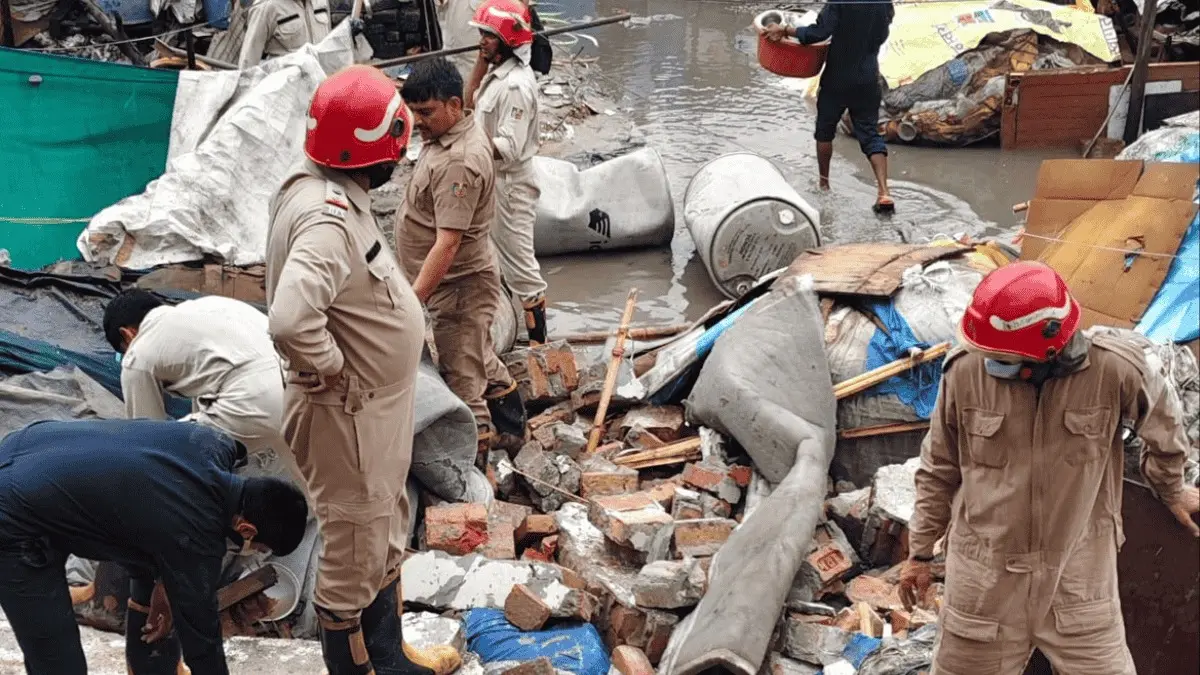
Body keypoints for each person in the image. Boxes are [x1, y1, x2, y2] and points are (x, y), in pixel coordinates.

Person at [897, 262, 1200, 674]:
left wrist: (1170, 488)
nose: (989, 363)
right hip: (985, 580)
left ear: (1046, 352)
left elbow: (1165, 430)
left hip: (1079, 577)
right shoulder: (966, 371)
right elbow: (938, 468)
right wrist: (920, 553)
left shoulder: (1116, 370)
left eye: (1001, 358)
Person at [265, 64, 460, 675]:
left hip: (374, 410)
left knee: (385, 527)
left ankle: (390, 656)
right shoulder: (326, 220)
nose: (399, 161)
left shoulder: (322, 185)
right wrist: (330, 368)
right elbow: (292, 319)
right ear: (373, 151)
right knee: (353, 553)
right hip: (347, 416)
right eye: (395, 149)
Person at [0, 419, 308, 675]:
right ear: (246, 529)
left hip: (31, 446)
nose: (253, 552)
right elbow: (203, 642)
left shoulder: (213, 442)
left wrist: (163, 580)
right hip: (13, 513)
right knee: (56, 656)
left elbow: (144, 513)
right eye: (260, 547)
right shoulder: (195, 535)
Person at [397, 56, 527, 454]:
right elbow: (470, 92)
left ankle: (475, 471)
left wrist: (411, 300)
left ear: (453, 106)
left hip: (458, 286)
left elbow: (447, 243)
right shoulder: (450, 132)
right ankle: (514, 428)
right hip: (453, 283)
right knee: (475, 354)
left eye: (426, 112)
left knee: (462, 379)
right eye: (413, 112)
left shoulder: (459, 161)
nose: (418, 121)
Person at [103, 290, 285, 452]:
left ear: (128, 334)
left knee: (177, 456)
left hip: (255, 402)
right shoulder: (210, 306)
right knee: (307, 481)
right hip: (299, 389)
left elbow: (148, 438)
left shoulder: (136, 355)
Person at [464, 0, 549, 345]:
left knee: (523, 270)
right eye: (482, 34)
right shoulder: (495, 75)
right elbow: (469, 102)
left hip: (510, 186)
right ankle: (506, 332)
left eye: (489, 35)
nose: (482, 41)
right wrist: (480, 62)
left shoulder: (514, 86)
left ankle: (540, 347)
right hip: (494, 181)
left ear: (509, 39)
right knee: (492, 259)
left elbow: (508, 147)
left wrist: (467, 153)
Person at [764, 0, 895, 214]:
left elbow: (819, 32)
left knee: (824, 132)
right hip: (868, 77)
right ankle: (884, 191)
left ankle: (824, 185)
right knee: (870, 134)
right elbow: (882, 33)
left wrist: (786, 29)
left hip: (838, 77)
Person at [238, 0, 331, 69]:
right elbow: (248, 61)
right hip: (287, 89)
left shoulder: (321, 2)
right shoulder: (266, 6)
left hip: (322, 84)